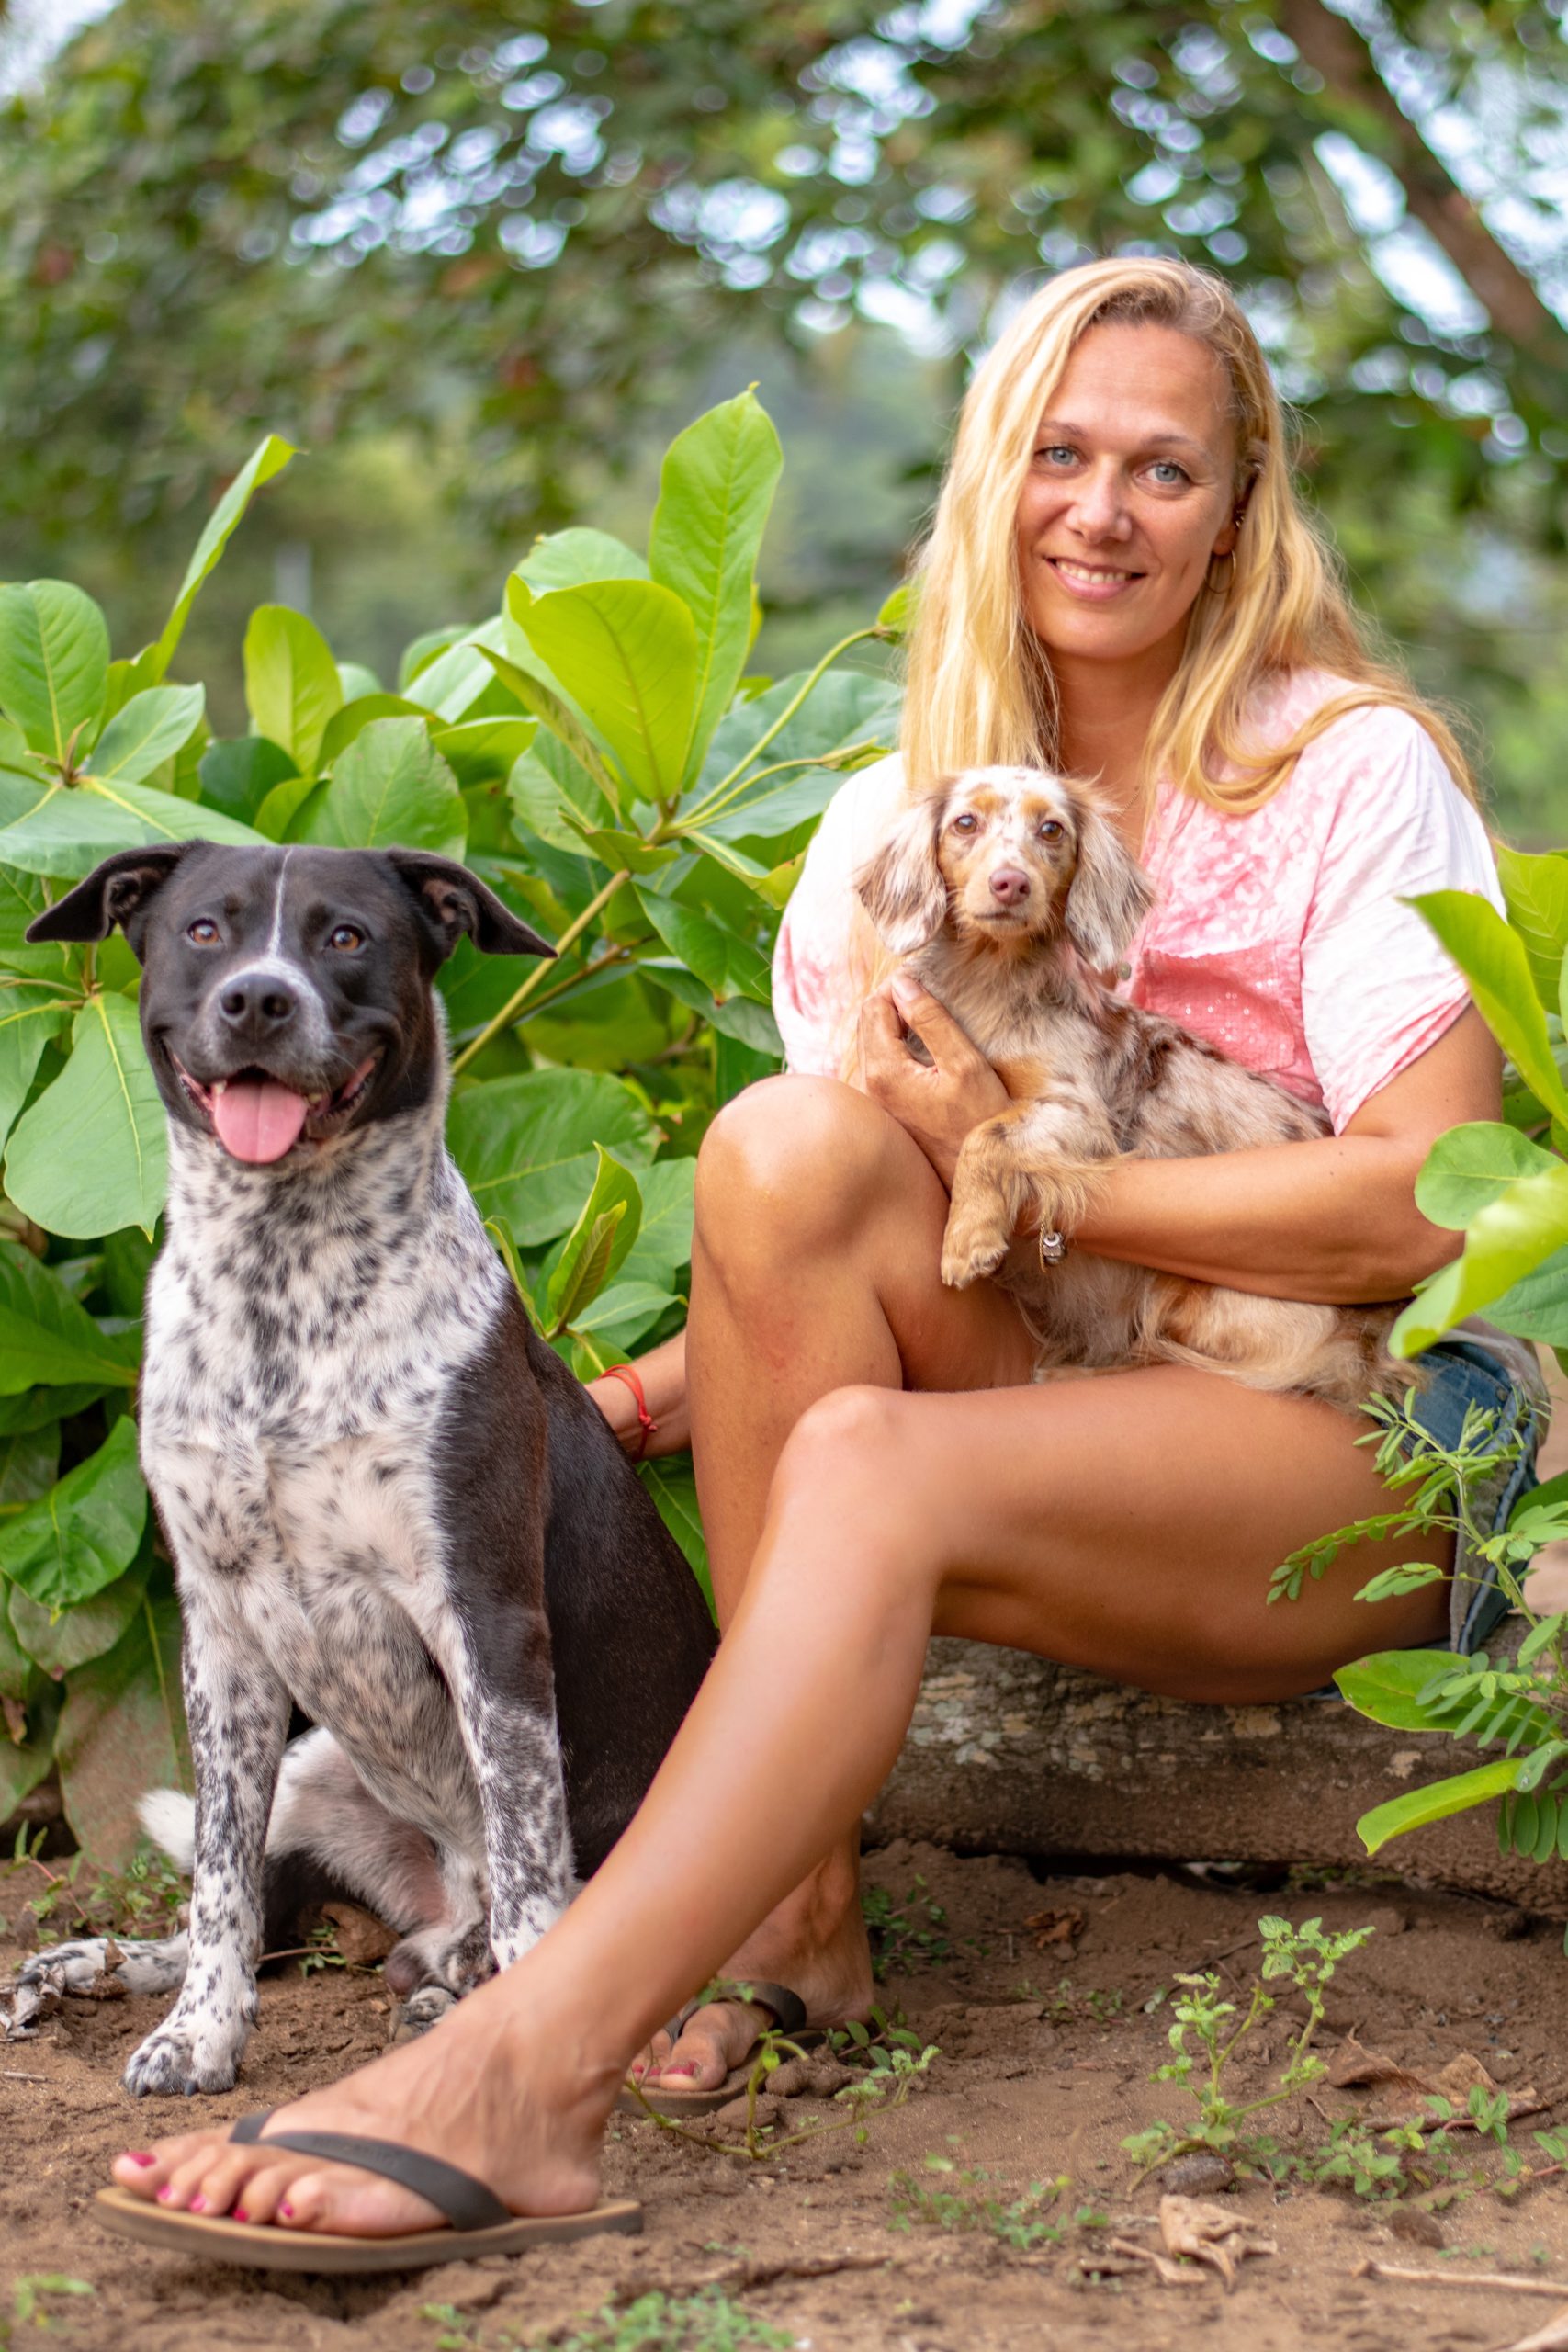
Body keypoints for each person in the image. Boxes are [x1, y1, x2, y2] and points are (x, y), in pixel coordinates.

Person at [110, 255, 1545, 2246]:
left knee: (875, 1448)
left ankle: (528, 2061)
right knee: (783, 1138)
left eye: (1161, 466)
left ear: (1238, 509)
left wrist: (1043, 1182)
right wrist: (610, 1406)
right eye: (1055, 453)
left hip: (1322, 1420)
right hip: (1046, 1405)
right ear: (987, 479)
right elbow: (827, 1258)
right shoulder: (890, 822)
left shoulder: (1336, 767)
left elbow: (1419, 1201)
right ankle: (797, 1914)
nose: (1100, 509)